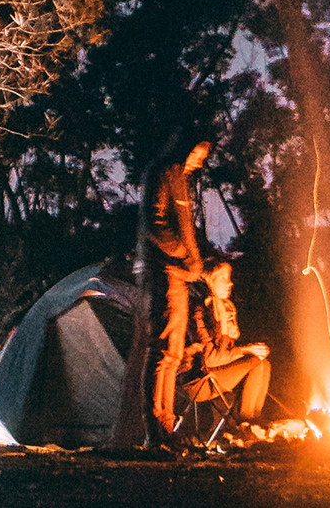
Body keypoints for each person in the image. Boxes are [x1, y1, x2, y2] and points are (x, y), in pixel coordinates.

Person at [138, 129, 210, 446]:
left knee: (176, 352)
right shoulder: (165, 174)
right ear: (184, 150)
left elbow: (182, 225)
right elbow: (154, 221)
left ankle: (167, 425)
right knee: (164, 350)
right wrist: (182, 253)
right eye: (196, 155)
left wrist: (195, 261)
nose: (199, 162)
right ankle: (157, 427)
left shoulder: (179, 179)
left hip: (179, 274)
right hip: (166, 271)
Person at [179, 260, 272, 422]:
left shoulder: (223, 310)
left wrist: (251, 349)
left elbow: (226, 355)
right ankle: (245, 422)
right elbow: (210, 359)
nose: (230, 283)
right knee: (255, 362)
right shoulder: (199, 312)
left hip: (216, 375)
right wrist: (245, 350)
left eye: (228, 278)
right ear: (209, 281)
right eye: (222, 278)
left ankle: (253, 420)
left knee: (263, 363)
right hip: (198, 381)